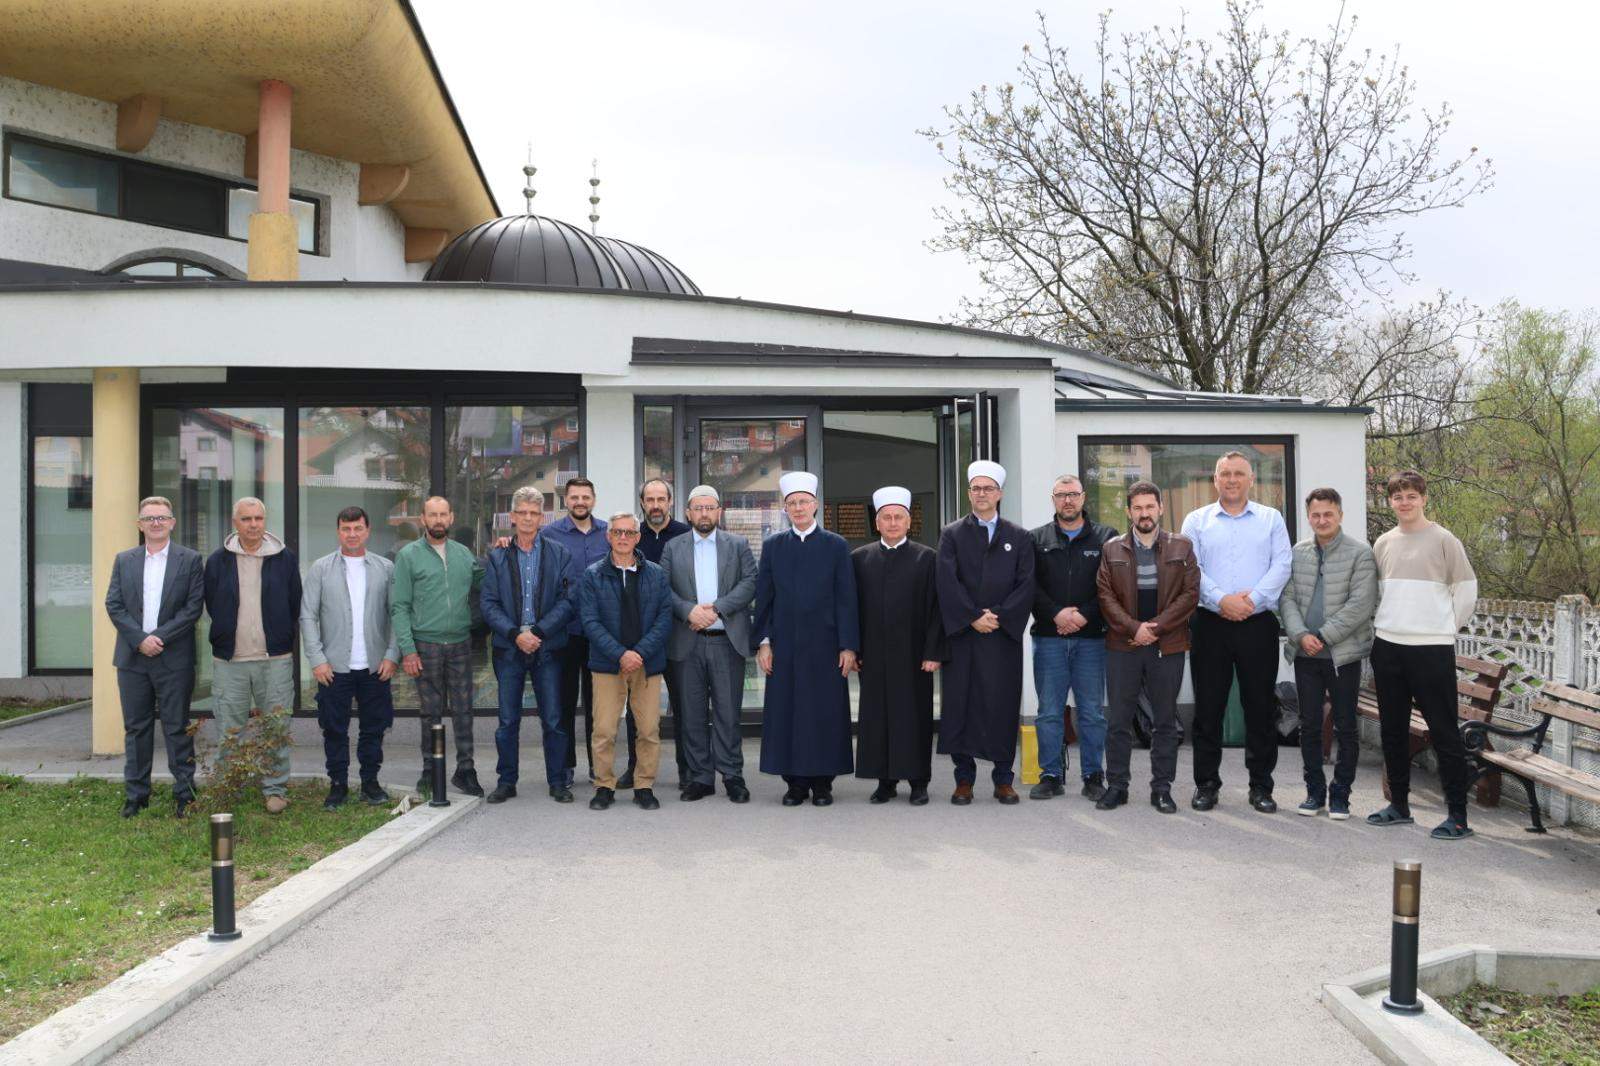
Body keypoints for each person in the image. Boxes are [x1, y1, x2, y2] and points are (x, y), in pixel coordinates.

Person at [1366, 471, 1480, 840]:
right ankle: (1399, 805)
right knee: (1393, 730)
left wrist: (1444, 628)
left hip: (1432, 649)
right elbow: (1378, 593)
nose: (1405, 502)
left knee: (1444, 731)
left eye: (1411, 496)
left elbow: (1467, 590)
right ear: (1391, 502)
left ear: (1424, 499)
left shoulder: (1444, 540)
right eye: (1398, 497)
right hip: (1388, 645)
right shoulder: (1383, 542)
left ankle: (1458, 817)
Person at [1180, 452, 1292, 813]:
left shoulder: (1271, 518)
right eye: (1225, 474)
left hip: (1257, 623)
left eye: (1238, 474)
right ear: (1215, 479)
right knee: (1208, 708)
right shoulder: (1196, 520)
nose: (1231, 480)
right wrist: (1221, 600)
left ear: (1251, 479)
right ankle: (1206, 785)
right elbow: (1190, 568)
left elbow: (1282, 564)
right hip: (1210, 623)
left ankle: (1261, 786)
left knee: (1259, 707)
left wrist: (1252, 600)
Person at [754, 471, 860, 807]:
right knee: (788, 713)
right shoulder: (773, 547)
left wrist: (848, 646)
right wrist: (764, 643)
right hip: (784, 646)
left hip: (826, 646)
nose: (798, 508)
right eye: (792, 503)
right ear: (785, 508)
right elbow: (764, 598)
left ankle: (823, 783)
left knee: (824, 713)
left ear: (815, 505)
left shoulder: (836, 545)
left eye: (803, 502)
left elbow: (847, 599)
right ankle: (795, 784)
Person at [1095, 481, 1200, 813]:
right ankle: (1117, 787)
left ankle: (1162, 789)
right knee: (1118, 720)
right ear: (1129, 512)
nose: (1144, 513)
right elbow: (1105, 596)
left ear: (1160, 508)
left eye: (1150, 507)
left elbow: (1190, 594)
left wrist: (1155, 628)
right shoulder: (1111, 549)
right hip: (1123, 644)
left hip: (1166, 644)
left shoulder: (1182, 546)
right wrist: (1134, 628)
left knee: (1165, 721)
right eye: (1138, 508)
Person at [936, 460, 1035, 805]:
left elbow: (1026, 584)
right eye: (976, 488)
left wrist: (1000, 617)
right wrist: (971, 617)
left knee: (1001, 704)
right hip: (964, 636)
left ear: (999, 494)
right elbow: (946, 581)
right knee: (961, 705)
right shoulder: (951, 534)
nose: (982, 494)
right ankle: (963, 780)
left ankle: (1003, 779)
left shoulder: (1019, 537)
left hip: (1001, 638)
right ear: (969, 493)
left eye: (988, 488)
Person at [1276, 487, 1377, 821]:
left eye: (1328, 514)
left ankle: (1341, 796)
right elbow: (1287, 598)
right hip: (1306, 655)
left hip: (1342, 656)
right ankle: (1314, 793)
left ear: (1340, 515)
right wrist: (1301, 635)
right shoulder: (1298, 553)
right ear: (1309, 517)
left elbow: (1361, 604)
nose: (1322, 520)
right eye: (1316, 515)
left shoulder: (1360, 554)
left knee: (1346, 727)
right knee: (1309, 726)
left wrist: (1322, 636)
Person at [104, 496, 204, 818]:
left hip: (173, 658)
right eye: (149, 518)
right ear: (140, 524)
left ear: (172, 522)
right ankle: (136, 796)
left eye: (162, 517)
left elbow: (193, 608)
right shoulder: (124, 560)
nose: (156, 523)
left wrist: (158, 638)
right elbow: (114, 604)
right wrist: (140, 640)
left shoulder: (190, 560)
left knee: (177, 727)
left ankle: (185, 795)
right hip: (132, 659)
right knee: (136, 729)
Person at [660, 485, 757, 803]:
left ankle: (732, 775)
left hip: (726, 642)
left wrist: (716, 609)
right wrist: (689, 611)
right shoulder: (673, 547)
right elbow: (662, 588)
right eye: (698, 508)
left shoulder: (738, 544)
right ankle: (700, 777)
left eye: (709, 507)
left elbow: (750, 582)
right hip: (687, 642)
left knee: (728, 714)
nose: (704, 513)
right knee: (692, 715)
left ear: (719, 512)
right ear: (688, 513)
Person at [203, 497, 301, 813]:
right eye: (246, 519)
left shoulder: (284, 559)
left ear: (265, 521)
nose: (253, 524)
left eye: (258, 518)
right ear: (235, 523)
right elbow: (212, 603)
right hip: (230, 661)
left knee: (276, 727)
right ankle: (228, 788)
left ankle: (275, 789)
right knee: (229, 729)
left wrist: (280, 636)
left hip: (274, 660)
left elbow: (294, 603)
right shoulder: (218, 561)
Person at [300, 506, 400, 811]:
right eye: (346, 529)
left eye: (358, 528)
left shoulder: (386, 568)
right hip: (333, 667)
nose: (352, 534)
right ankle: (338, 785)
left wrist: (392, 654)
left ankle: (370, 782)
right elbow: (307, 615)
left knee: (374, 728)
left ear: (367, 531)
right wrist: (317, 659)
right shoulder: (320, 569)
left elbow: (397, 615)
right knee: (334, 729)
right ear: (338, 532)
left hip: (375, 665)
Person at [480, 486, 576, 805]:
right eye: (522, 512)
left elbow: (568, 600)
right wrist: (515, 634)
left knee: (553, 719)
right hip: (509, 648)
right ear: (512, 516)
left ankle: (558, 781)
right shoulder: (497, 556)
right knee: (508, 720)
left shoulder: (559, 553)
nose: (528, 518)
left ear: (542, 518)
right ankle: (506, 781)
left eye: (534, 513)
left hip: (548, 646)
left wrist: (538, 632)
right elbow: (489, 604)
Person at [851, 486, 944, 805]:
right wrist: (854, 649)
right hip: (873, 654)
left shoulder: (927, 558)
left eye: (898, 517)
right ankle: (885, 781)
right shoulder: (859, 559)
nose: (892, 523)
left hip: (914, 655)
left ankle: (918, 782)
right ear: (877, 523)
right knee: (877, 717)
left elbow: (938, 609)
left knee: (914, 717)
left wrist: (933, 651)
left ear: (909, 521)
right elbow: (852, 609)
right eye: (886, 517)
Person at [1028, 473, 1116, 801]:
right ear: (1053, 499)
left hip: (1091, 639)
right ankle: (1051, 775)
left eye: (1073, 494)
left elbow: (1110, 586)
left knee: (1091, 712)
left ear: (1083, 498)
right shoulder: (1035, 539)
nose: (1068, 500)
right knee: (1049, 712)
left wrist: (1083, 615)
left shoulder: (1106, 537)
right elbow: (1029, 586)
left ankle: (1093, 776)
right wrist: (1056, 614)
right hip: (1048, 638)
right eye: (1061, 495)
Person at [578, 512, 673, 811]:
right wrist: (620, 654)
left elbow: (664, 619)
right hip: (608, 663)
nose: (623, 537)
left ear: (637, 537)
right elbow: (590, 621)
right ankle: (604, 786)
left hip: (646, 663)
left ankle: (644, 785)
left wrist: (638, 653)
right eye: (617, 532)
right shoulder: (592, 575)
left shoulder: (656, 574)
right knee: (604, 730)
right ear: (608, 536)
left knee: (648, 729)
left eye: (629, 532)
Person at [391, 496, 485, 798]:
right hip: (426, 645)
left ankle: (465, 770)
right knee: (430, 714)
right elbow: (399, 606)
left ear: (452, 517)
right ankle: (430, 771)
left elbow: (487, 582)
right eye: (433, 515)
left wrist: (503, 553)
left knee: (464, 711)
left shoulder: (464, 554)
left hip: (460, 643)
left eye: (443, 514)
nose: (439, 520)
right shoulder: (408, 556)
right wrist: (408, 650)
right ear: (423, 519)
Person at [543, 477, 624, 788]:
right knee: (562, 704)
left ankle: (597, 765)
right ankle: (564, 767)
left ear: (594, 500)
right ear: (566, 500)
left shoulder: (609, 532)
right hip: (563, 632)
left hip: (599, 635)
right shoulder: (549, 534)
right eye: (574, 497)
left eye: (585, 497)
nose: (580, 502)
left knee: (598, 707)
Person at [636, 477, 692, 789]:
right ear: (642, 503)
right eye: (650, 500)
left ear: (670, 502)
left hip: (679, 634)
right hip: (642, 638)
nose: (655, 505)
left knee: (684, 707)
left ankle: (687, 769)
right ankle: (635, 768)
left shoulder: (686, 535)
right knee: (637, 709)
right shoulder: (632, 536)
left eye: (661, 499)